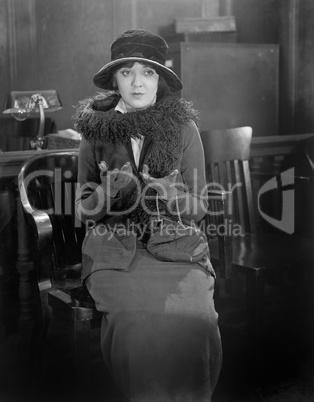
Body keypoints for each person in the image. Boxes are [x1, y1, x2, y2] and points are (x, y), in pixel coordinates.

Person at [74, 29, 222, 402]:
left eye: (148, 72)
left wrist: (171, 194)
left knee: (196, 319)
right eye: (127, 72)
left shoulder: (184, 128)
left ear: (161, 77)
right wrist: (108, 192)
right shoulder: (95, 130)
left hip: (175, 247)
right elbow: (83, 210)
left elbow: (200, 207)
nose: (137, 82)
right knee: (136, 325)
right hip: (114, 250)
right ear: (114, 80)